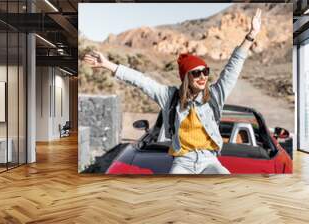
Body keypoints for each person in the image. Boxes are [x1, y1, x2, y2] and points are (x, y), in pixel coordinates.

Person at [83, 9, 262, 174]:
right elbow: (141, 81)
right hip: (182, 162)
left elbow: (233, 67)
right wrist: (107, 65)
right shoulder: (170, 97)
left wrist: (251, 35)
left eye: (205, 71)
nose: (202, 76)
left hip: (210, 160)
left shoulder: (215, 95)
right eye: (196, 72)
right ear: (186, 77)